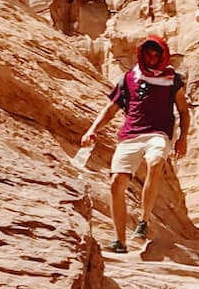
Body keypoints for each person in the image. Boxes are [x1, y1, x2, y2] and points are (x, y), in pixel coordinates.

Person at [79, 35, 189, 255]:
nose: (152, 56)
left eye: (156, 52)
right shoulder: (128, 78)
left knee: (156, 161)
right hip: (130, 135)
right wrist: (92, 129)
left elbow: (183, 111)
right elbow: (111, 109)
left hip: (158, 134)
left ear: (162, 55)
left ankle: (143, 220)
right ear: (141, 53)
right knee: (116, 182)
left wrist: (182, 137)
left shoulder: (172, 79)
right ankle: (120, 241)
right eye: (148, 52)